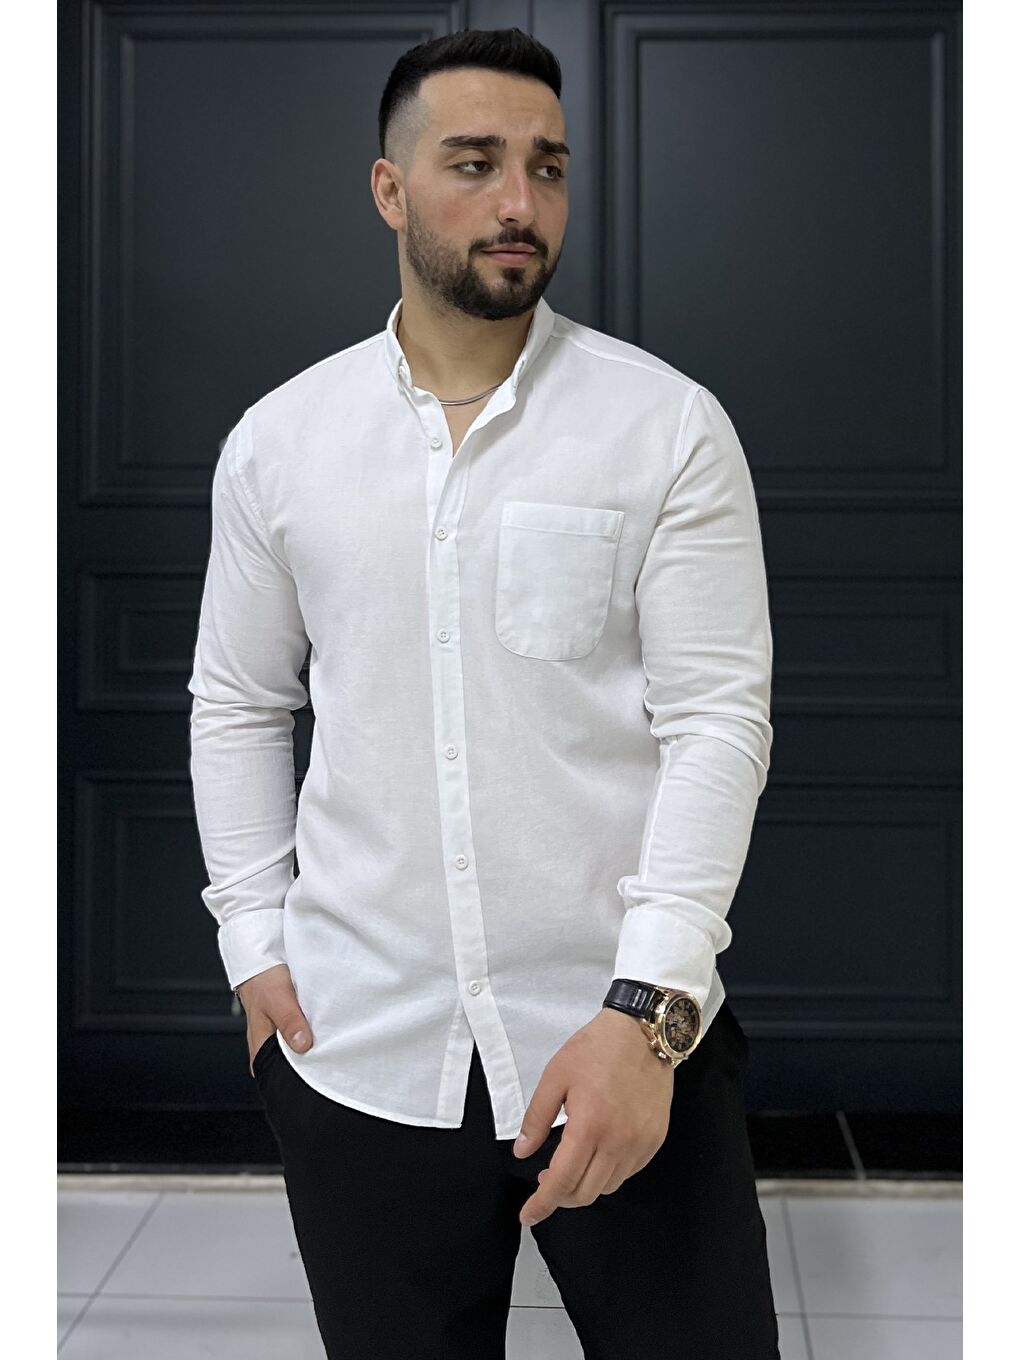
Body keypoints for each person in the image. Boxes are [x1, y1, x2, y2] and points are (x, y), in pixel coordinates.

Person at [188, 24, 780, 1360]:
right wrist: (253, 940)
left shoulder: (665, 427)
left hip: (621, 1039)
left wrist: (647, 1016)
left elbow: (716, 725)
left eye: (546, 167)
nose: (521, 202)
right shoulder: (282, 444)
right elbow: (238, 701)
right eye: (475, 163)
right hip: (360, 1047)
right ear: (390, 190)